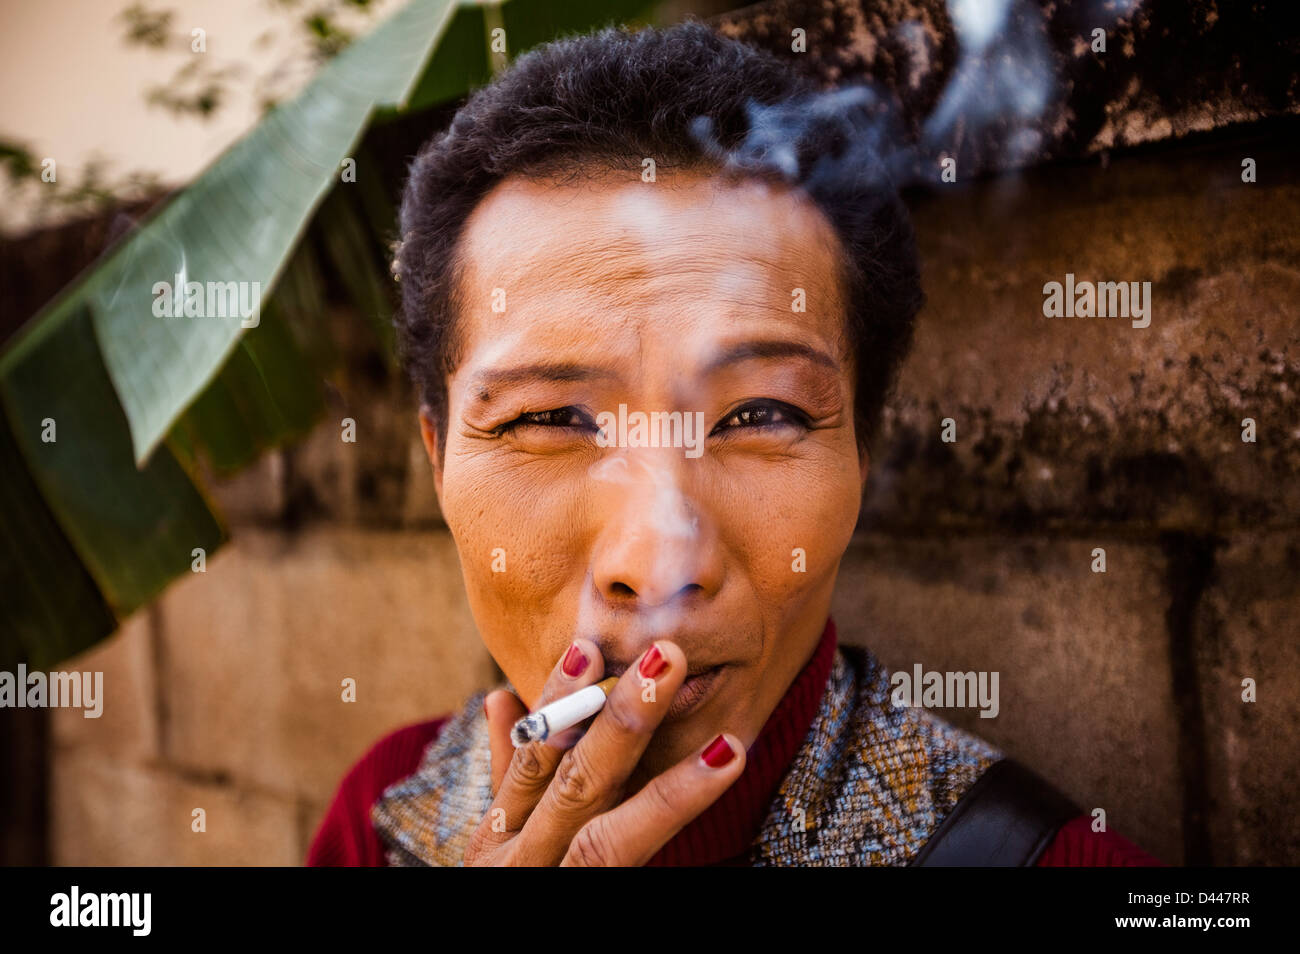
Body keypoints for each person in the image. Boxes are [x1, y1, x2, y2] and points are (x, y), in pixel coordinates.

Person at [308, 20, 1160, 867]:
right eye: (548, 420)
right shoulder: (381, 820)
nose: (657, 564)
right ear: (437, 457)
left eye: (758, 415)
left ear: (863, 451)